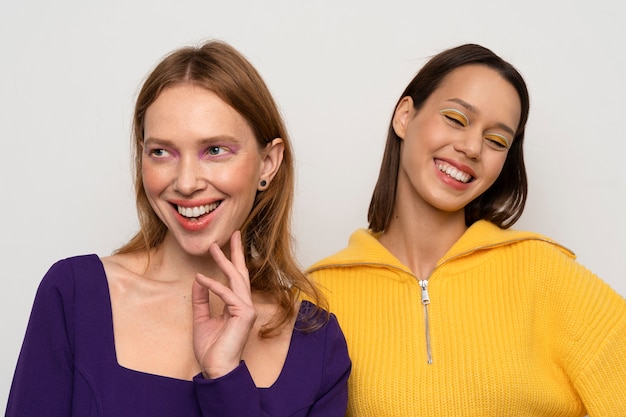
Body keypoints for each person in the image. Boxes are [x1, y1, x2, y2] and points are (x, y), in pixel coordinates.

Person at [6, 40, 350, 417]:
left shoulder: (315, 344)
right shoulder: (74, 295)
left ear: (268, 163)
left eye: (215, 150)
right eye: (161, 152)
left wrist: (225, 377)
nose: (186, 183)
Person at [307, 43, 626, 416]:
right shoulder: (316, 297)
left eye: (496, 141)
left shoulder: (546, 272)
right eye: (456, 119)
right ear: (405, 116)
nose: (472, 147)